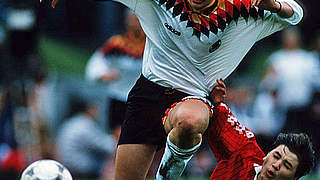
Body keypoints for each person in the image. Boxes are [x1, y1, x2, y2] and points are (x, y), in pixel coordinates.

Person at [43, 0, 303, 179]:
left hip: (194, 98)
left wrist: (276, 5)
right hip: (147, 95)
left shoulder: (243, 9)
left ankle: (168, 173)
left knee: (190, 122)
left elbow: (297, 13)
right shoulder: (163, 2)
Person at [205, 80, 315, 179]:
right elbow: (217, 110)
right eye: (276, 156)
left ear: (294, 178)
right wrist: (216, 100)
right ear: (267, 154)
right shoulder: (242, 153)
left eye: (287, 165)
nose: (276, 165)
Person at [85, 10, 145, 142]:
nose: (136, 22)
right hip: (118, 97)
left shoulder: (151, 45)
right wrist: (102, 74)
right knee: (118, 138)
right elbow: (97, 61)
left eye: (139, 18)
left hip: (141, 98)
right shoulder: (117, 44)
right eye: (133, 19)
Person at [56, 99, 115, 179]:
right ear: (89, 109)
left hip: (67, 167)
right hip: (81, 171)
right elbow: (107, 146)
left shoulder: (71, 122)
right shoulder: (85, 124)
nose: (98, 112)